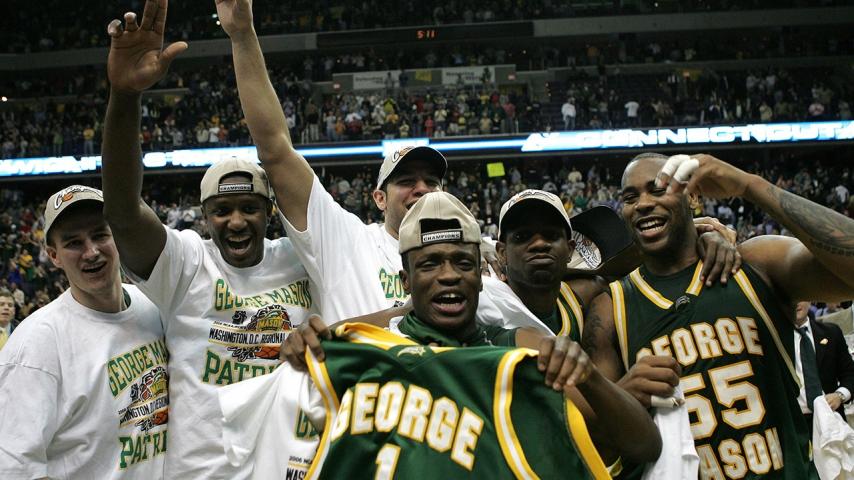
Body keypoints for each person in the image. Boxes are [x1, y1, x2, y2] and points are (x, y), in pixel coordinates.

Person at [220, 192, 660, 479]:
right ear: (406, 280)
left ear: (482, 277)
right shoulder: (359, 352)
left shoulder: (520, 348)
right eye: (430, 264)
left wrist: (591, 379)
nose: (448, 276)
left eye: (462, 263)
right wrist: (305, 348)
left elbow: (643, 444)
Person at [101, 2, 316, 477]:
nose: (236, 222)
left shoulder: (300, 259)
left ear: (271, 212)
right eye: (222, 211)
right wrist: (125, 96)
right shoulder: (186, 262)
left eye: (249, 208)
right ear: (205, 217)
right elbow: (121, 211)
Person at [583, 152, 854, 479]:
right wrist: (624, 397)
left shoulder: (755, 263)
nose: (642, 203)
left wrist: (749, 186)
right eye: (630, 197)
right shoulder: (609, 308)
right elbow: (598, 446)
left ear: (693, 197)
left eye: (658, 189)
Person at [216, 0, 448, 322]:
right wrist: (243, 36)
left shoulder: (472, 258)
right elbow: (275, 152)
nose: (421, 189)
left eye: (431, 182)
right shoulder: (348, 243)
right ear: (379, 199)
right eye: (406, 181)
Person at [0, 186, 168, 479]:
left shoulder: (153, 306)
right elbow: (16, 468)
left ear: (118, 236)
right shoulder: (35, 345)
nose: (91, 252)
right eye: (74, 243)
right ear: (54, 256)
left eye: (100, 235)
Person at [794, 301, 854, 425]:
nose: (796, 303)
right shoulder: (773, 340)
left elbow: (850, 373)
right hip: (794, 424)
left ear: (809, 300)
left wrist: (840, 395)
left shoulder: (831, 332)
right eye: (791, 299)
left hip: (831, 419)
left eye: (800, 297)